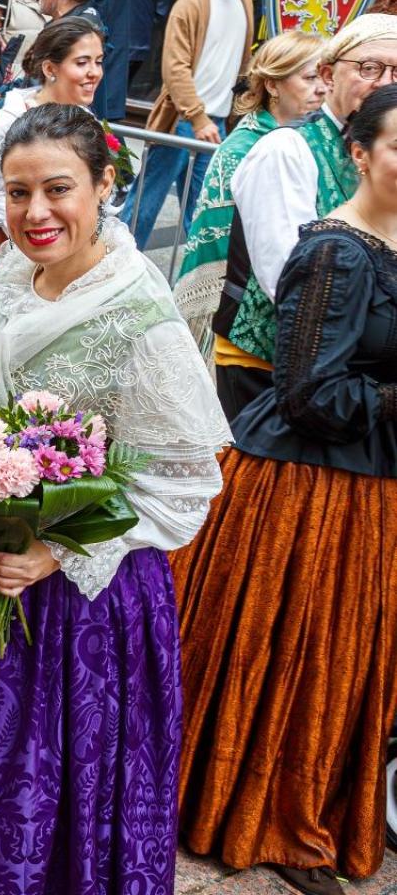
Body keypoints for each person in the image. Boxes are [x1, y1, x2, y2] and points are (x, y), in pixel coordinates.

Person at [0, 102, 232, 895]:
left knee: (36, 780)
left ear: (105, 184)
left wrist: (57, 551)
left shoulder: (140, 315)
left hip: (79, 597)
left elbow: (184, 481)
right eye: (17, 194)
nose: (35, 213)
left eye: (58, 189)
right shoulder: (12, 281)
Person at [172, 83, 397, 895]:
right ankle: (259, 811)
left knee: (336, 661)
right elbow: (307, 392)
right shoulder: (336, 252)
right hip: (302, 490)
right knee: (290, 657)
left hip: (367, 489)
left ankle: (303, 799)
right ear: (359, 153)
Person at [214, 14, 397, 422]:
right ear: (329, 74)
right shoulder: (287, 149)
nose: (385, 83)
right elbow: (285, 277)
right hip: (269, 371)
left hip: (350, 378)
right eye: (370, 68)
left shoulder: (384, 153)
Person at [172, 31, 326, 352]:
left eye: (326, 77)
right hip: (236, 316)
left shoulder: (314, 140)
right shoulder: (241, 149)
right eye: (310, 77)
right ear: (272, 85)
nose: (322, 88)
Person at [0, 17, 103, 306]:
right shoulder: (9, 123)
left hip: (70, 263)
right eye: (82, 63)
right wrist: (33, 209)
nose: (94, 72)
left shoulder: (88, 121)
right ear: (50, 69)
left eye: (98, 61)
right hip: (7, 259)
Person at [121, 0, 253, 248]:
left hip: (217, 123)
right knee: (145, 205)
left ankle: (197, 284)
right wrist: (197, 117)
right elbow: (174, 68)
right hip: (183, 121)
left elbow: (242, 62)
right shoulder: (191, 4)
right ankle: (114, 269)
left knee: (204, 213)